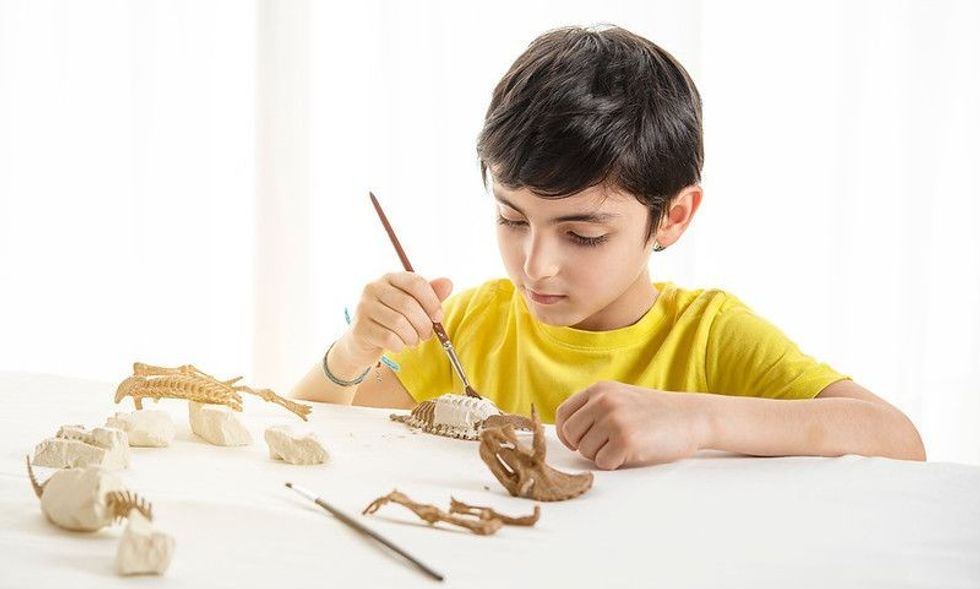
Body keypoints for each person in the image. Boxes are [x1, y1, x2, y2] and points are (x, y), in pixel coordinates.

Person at [291, 25, 925, 469]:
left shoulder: (708, 334)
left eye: (583, 234)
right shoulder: (467, 325)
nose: (534, 266)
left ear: (672, 217)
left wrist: (697, 419)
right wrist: (353, 351)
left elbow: (896, 438)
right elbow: (312, 427)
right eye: (513, 220)